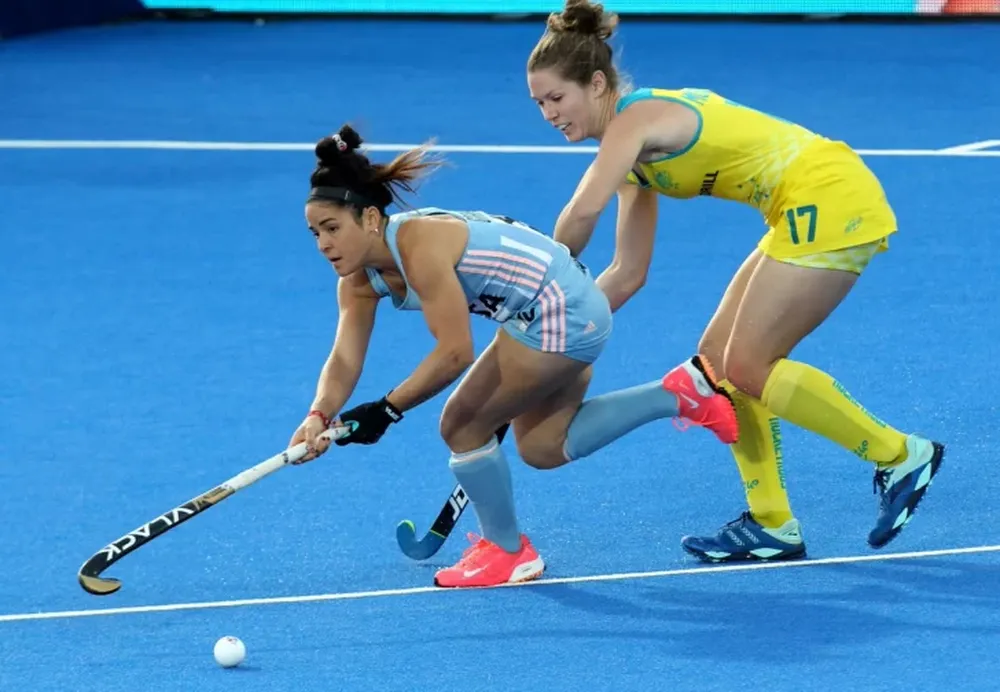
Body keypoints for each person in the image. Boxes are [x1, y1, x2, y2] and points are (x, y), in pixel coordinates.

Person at [525, 0, 945, 563]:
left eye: (557, 98)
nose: (549, 114)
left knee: (749, 363)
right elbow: (628, 273)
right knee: (718, 364)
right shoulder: (630, 158)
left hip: (829, 195)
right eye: (539, 103)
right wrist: (555, 326)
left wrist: (542, 288)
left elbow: (581, 213)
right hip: (796, 210)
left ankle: (899, 455)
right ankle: (773, 523)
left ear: (596, 83)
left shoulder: (635, 120)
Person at [286, 124, 738, 588]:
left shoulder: (418, 246)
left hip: (560, 311)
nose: (323, 244)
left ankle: (507, 552)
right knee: (544, 447)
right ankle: (681, 392)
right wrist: (320, 413)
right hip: (540, 313)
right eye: (314, 233)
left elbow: (455, 352)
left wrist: (387, 410)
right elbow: (344, 358)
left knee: (462, 424)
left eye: (332, 228)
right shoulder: (358, 282)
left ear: (371, 219)